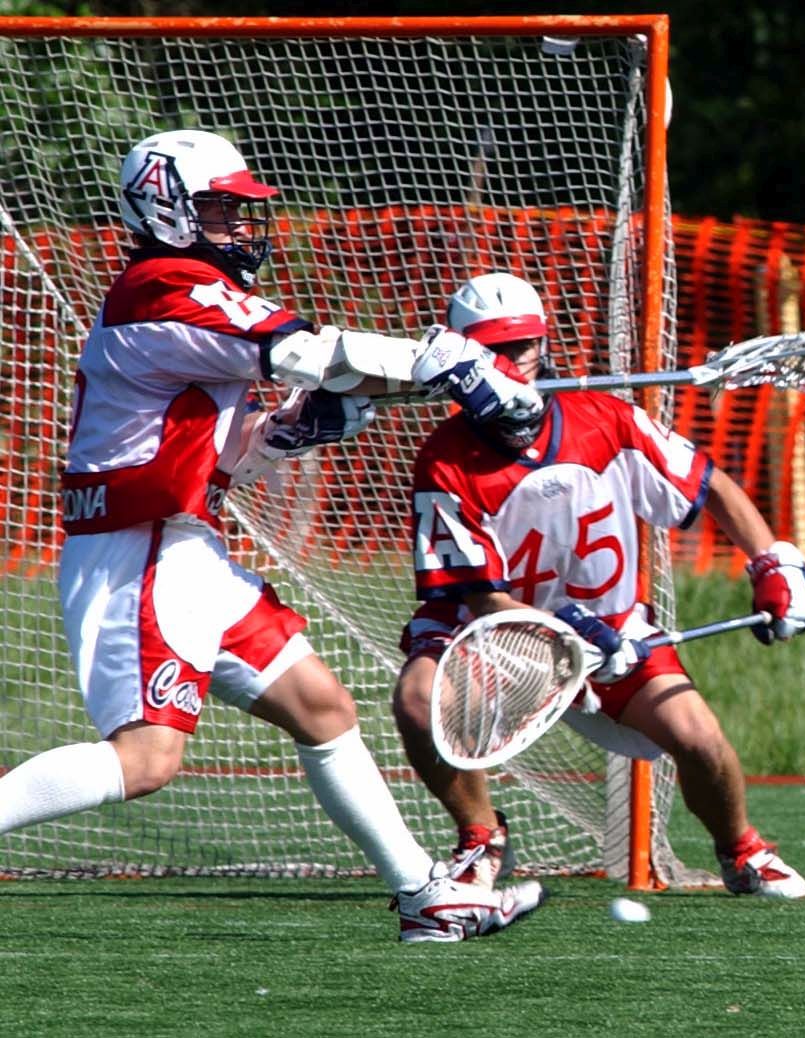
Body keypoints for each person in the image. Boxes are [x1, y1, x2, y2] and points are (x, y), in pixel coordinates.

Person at [0, 128, 543, 942]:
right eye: (219, 208)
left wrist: (290, 431)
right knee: (147, 759)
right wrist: (450, 363)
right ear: (164, 207)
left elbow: (215, 456)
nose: (239, 225)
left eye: (239, 209)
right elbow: (308, 352)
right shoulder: (164, 283)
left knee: (322, 708)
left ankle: (423, 896)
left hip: (184, 545)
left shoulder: (184, 294)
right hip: (140, 550)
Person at [390, 272, 805, 898]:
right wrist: (567, 635)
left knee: (699, 738)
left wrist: (772, 563)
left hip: (615, 630)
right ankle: (481, 837)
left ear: (544, 345)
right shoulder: (445, 460)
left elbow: (710, 486)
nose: (512, 362)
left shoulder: (610, 421)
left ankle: (741, 850)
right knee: (418, 699)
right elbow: (482, 596)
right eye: (493, 350)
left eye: (522, 346)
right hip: (494, 636)